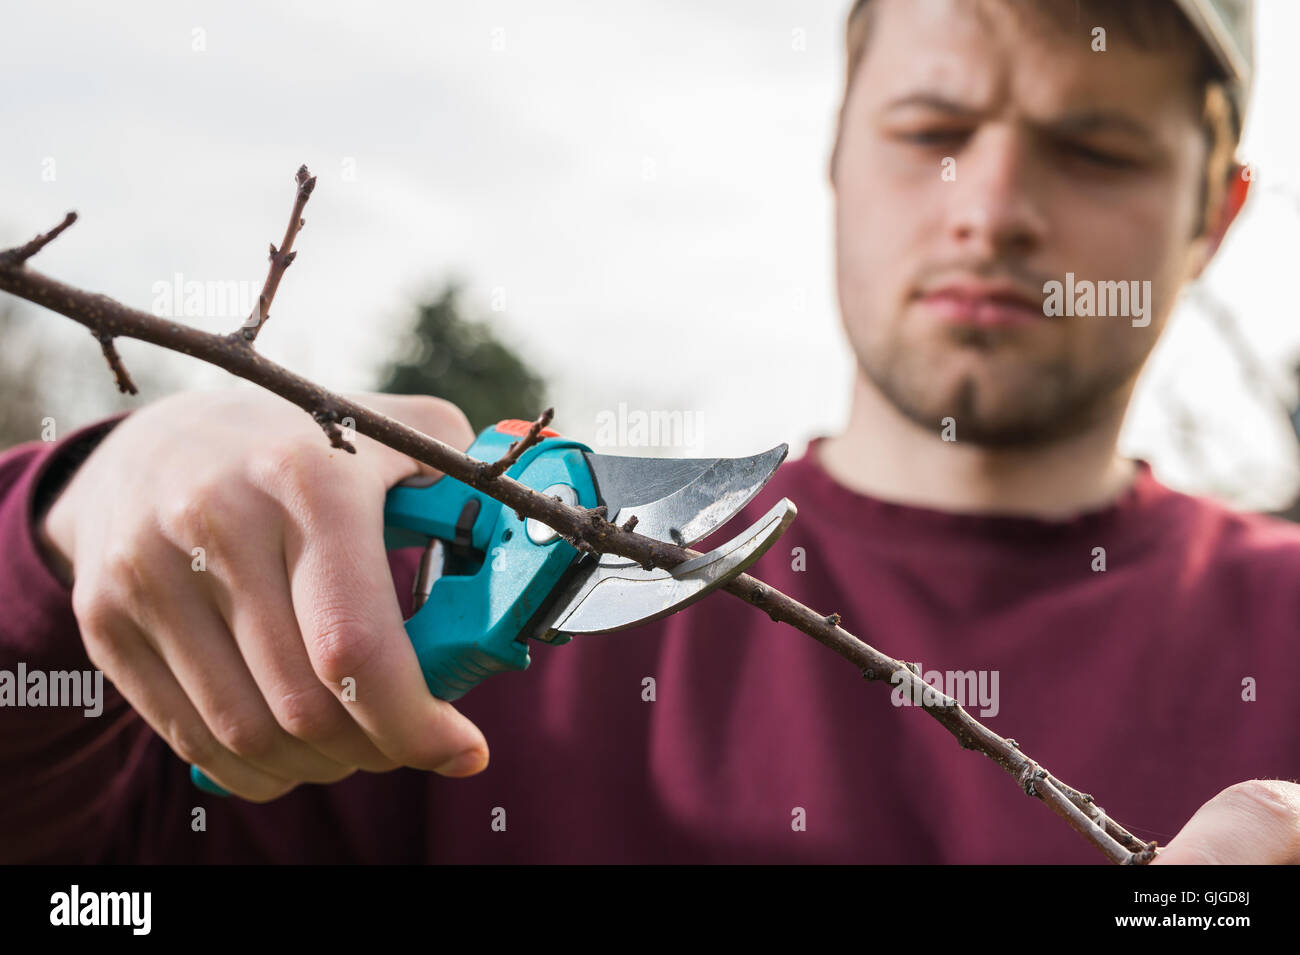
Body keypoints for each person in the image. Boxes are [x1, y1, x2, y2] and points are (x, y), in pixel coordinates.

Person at [2, 0, 1296, 864]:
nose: (995, 208)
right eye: (935, 133)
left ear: (1216, 216)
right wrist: (57, 537)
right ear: (840, 156)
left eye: (1096, 148)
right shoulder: (355, 612)